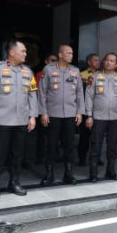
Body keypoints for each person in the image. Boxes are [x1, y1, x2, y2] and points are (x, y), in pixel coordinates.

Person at [0, 39, 38, 200]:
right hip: (2, 121)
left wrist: (33, 116)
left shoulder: (28, 72)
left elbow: (32, 95)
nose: (25, 54)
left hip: (21, 121)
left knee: (17, 154)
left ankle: (14, 182)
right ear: (12, 52)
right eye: (23, 51)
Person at [38, 44, 84, 185]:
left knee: (69, 145)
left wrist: (80, 112)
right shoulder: (49, 69)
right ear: (60, 54)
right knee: (51, 145)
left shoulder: (75, 71)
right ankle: (49, 173)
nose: (71, 55)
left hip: (70, 114)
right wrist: (43, 112)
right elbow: (42, 92)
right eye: (68, 53)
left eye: (72, 53)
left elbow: (79, 93)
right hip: (53, 114)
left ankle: (68, 173)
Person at [84, 52, 117, 182]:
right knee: (96, 146)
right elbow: (89, 97)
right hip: (98, 117)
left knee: (112, 146)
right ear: (103, 62)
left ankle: (111, 171)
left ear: (116, 64)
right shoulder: (94, 77)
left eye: (112, 61)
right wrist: (89, 115)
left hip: (115, 118)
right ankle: (93, 173)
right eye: (107, 60)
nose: (108, 62)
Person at [34, 53, 58, 165]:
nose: (54, 62)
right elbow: (38, 91)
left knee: (55, 135)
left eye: (56, 60)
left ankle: (54, 156)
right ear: (46, 61)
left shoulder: (59, 73)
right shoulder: (40, 74)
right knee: (42, 135)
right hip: (43, 108)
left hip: (56, 109)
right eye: (52, 60)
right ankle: (40, 156)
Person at [77, 52, 100, 166]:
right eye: (95, 60)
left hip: (100, 110)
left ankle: (97, 157)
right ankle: (82, 157)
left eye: (98, 60)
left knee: (98, 136)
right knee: (85, 136)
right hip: (87, 110)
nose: (98, 62)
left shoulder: (102, 74)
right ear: (89, 62)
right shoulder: (82, 75)